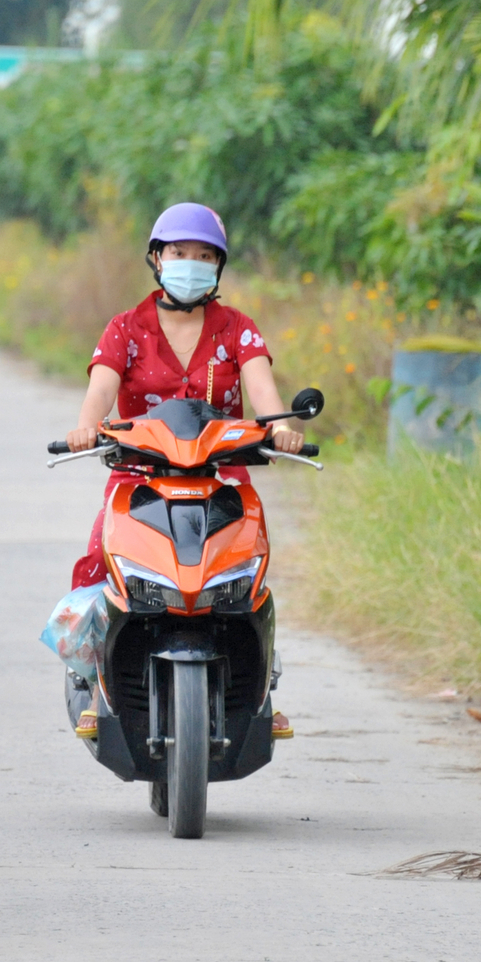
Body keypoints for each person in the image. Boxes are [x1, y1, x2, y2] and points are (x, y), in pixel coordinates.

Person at [65, 202, 300, 735]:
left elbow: (263, 390)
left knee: (247, 573)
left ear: (218, 266)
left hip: (222, 477)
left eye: (202, 256)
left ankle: (260, 686)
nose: (189, 263)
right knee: (104, 554)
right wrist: (86, 424)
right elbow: (101, 388)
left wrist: (279, 426)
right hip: (139, 476)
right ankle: (92, 678)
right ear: (156, 258)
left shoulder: (238, 329)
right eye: (178, 253)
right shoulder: (125, 328)